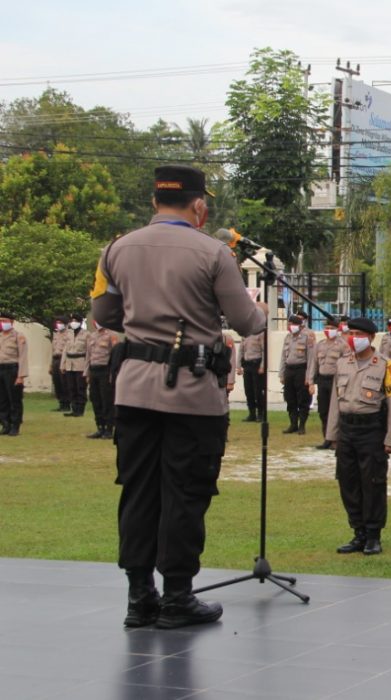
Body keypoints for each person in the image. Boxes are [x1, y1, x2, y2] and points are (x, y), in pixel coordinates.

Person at [91, 164, 267, 629]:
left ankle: (138, 596)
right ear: (199, 206)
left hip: (132, 390)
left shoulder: (116, 249)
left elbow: (104, 312)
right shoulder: (213, 254)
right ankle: (177, 597)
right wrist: (262, 312)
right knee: (185, 492)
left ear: (154, 201)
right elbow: (247, 322)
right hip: (191, 392)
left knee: (138, 491)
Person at [326, 317, 391, 556]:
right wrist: (332, 433)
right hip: (347, 430)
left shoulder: (384, 365)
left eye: (359, 334)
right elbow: (334, 401)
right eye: (351, 334)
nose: (354, 338)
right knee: (348, 483)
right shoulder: (343, 363)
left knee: (373, 483)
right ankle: (358, 532)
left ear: (371, 338)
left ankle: (373, 535)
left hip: (371, 429)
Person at [309, 317, 346, 449]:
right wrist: (311, 382)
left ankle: (337, 439)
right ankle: (326, 438)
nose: (328, 331)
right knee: (323, 411)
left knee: (336, 412)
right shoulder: (320, 345)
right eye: (327, 328)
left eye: (331, 328)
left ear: (337, 329)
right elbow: (313, 364)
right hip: (323, 380)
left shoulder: (343, 345)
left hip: (336, 381)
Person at [279, 313, 314, 435]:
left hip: (301, 370)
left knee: (303, 398)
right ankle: (293, 424)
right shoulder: (288, 337)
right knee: (290, 398)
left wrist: (309, 377)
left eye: (293, 324)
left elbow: (311, 359)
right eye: (289, 324)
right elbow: (283, 357)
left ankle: (302, 425)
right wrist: (281, 374)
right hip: (289, 370)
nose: (291, 326)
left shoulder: (306, 338)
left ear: (300, 325)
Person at [84, 319, 119, 439]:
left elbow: (115, 356)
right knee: (95, 400)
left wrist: (113, 374)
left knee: (107, 401)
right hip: (94, 371)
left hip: (106, 370)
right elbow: (88, 356)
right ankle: (100, 427)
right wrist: (87, 373)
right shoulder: (91, 336)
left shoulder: (112, 335)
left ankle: (109, 429)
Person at [0, 311, 28, 437]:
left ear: (12, 322)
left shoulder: (18, 336)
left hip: (12, 370)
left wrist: (20, 376)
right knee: (2, 399)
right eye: (1, 321)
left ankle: (15, 425)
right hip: (0, 369)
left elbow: (23, 357)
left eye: (5, 321)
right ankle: (5, 424)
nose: (2, 323)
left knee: (14, 399)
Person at [60, 312, 90, 418]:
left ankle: (80, 410)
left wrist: (87, 367)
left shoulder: (86, 334)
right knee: (71, 387)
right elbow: (65, 350)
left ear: (80, 322)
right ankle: (74, 409)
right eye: (72, 321)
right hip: (69, 363)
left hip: (80, 362)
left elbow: (88, 351)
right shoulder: (68, 333)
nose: (73, 323)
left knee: (80, 387)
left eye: (76, 321)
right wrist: (62, 365)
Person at [238, 330, 265, 422]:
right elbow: (241, 350)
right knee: (248, 390)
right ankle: (252, 414)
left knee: (258, 391)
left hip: (256, 364)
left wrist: (262, 366)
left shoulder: (260, 333)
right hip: (247, 364)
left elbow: (264, 350)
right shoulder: (245, 333)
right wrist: (238, 366)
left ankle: (260, 414)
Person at [50, 317, 70, 411]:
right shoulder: (56, 334)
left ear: (66, 324)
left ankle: (66, 404)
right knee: (57, 382)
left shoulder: (69, 334)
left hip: (64, 359)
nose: (58, 324)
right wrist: (50, 365)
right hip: (55, 359)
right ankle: (61, 403)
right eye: (57, 322)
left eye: (60, 322)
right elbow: (53, 350)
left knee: (64, 383)